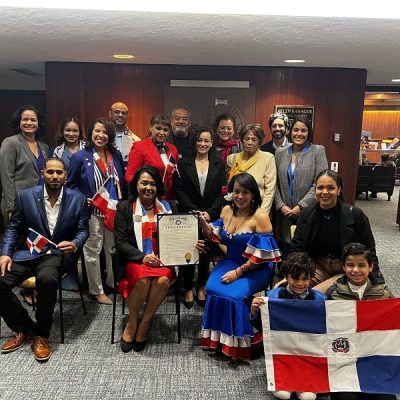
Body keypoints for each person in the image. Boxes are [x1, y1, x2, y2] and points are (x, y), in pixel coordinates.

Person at [0, 157, 89, 361]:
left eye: (59, 172)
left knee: (47, 280)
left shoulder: (78, 198)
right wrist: (5, 253)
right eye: (50, 172)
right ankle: (24, 327)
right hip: (28, 252)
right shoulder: (25, 196)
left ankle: (41, 334)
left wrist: (75, 243)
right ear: (43, 174)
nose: (55, 176)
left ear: (66, 176)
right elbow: (13, 228)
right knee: (1, 279)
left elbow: (83, 231)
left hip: (56, 254)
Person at [114, 166, 204, 352]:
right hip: (136, 260)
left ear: (158, 187)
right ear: (136, 184)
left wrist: (193, 245)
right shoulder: (124, 207)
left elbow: (181, 236)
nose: (148, 187)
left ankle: (145, 323)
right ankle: (132, 323)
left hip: (165, 260)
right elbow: (120, 241)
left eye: (153, 184)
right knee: (143, 280)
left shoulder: (169, 207)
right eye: (144, 183)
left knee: (163, 280)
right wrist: (142, 257)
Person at [199, 172, 281, 361]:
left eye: (245, 192)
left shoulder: (260, 217)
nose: (240, 196)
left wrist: (238, 273)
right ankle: (221, 341)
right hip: (230, 261)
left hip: (257, 268)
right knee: (212, 288)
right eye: (236, 191)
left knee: (233, 296)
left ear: (253, 194)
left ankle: (244, 344)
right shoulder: (227, 210)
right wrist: (204, 225)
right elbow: (217, 237)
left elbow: (262, 257)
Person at [292, 169, 385, 293]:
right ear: (315, 190)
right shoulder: (306, 214)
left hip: (345, 268)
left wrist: (376, 279)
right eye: (320, 188)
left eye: (330, 187)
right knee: (285, 289)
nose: (324, 192)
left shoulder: (356, 214)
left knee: (315, 294)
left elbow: (369, 250)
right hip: (316, 266)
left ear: (339, 190)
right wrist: (294, 273)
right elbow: (297, 248)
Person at [250, 252, 325, 400]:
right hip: (283, 353)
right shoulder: (273, 296)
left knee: (308, 397)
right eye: (295, 278)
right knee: (282, 394)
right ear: (286, 277)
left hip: (308, 354)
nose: (299, 283)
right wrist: (254, 311)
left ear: (311, 278)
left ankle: (304, 379)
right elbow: (263, 327)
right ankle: (287, 378)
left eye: (305, 279)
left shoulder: (320, 300)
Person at [67, 118, 125, 304]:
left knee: (111, 248)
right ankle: (96, 290)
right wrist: (84, 199)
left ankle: (111, 282)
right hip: (92, 211)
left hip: (113, 210)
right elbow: (70, 186)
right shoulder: (80, 157)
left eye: (105, 132)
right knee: (93, 250)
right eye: (97, 131)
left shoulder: (115, 155)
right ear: (91, 133)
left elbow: (120, 182)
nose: (101, 135)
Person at [327, 243, 395, 400]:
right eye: (350, 265)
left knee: (385, 398)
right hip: (345, 358)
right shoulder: (334, 293)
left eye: (361, 265)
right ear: (343, 267)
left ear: (371, 267)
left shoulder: (384, 293)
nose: (355, 270)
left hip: (374, 357)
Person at [173, 127, 227, 308]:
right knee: (190, 250)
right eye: (199, 140)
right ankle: (188, 287)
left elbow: (222, 193)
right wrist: (195, 210)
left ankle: (202, 285)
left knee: (205, 251)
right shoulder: (183, 163)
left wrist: (210, 213)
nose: (203, 144)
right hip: (189, 214)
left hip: (210, 216)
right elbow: (178, 190)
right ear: (194, 143)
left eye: (206, 141)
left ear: (212, 143)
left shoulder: (219, 164)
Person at [274, 116, 328, 254]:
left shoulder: (318, 151)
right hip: (284, 213)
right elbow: (274, 183)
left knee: (305, 252)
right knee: (285, 253)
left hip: (308, 212)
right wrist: (281, 205)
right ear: (290, 132)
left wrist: (301, 206)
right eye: (296, 130)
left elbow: (320, 184)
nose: (299, 134)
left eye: (303, 130)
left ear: (309, 133)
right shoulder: (280, 152)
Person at [0, 105, 49, 228]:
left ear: (38, 124)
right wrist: (11, 208)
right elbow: (7, 176)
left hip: (39, 203)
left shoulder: (44, 147)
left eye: (33, 120)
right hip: (18, 203)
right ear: (19, 122)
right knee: (16, 243)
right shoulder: (11, 142)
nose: (29, 123)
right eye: (25, 119)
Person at [125, 114, 178, 200]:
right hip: (145, 198)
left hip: (167, 200)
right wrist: (146, 189)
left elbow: (172, 177)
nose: (161, 133)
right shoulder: (139, 146)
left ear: (169, 132)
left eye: (165, 130)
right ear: (150, 128)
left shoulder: (173, 149)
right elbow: (130, 176)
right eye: (158, 128)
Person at [227, 124, 276, 214]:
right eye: (247, 139)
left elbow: (270, 191)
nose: (250, 142)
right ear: (242, 140)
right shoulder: (232, 159)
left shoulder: (267, 158)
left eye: (254, 139)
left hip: (257, 211)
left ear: (259, 142)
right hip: (235, 211)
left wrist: (262, 214)